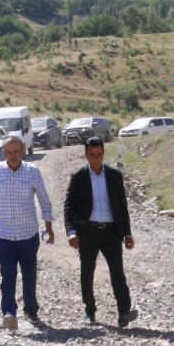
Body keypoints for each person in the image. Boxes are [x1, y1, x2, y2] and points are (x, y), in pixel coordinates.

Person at [0, 134, 55, 331]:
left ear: (22, 151)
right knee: (8, 273)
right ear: (4, 153)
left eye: (16, 151)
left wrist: (49, 226)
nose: (13, 155)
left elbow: (44, 199)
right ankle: (9, 313)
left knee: (29, 273)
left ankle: (31, 310)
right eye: (9, 152)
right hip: (4, 234)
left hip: (28, 233)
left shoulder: (33, 171)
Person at [63, 136, 138, 329]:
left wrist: (127, 233)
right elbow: (69, 208)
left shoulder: (114, 175)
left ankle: (124, 312)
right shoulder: (78, 177)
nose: (96, 158)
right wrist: (71, 231)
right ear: (86, 155)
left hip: (112, 232)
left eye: (100, 154)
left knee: (117, 272)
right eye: (92, 155)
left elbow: (122, 206)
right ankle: (90, 310)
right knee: (87, 271)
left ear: (104, 152)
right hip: (88, 231)